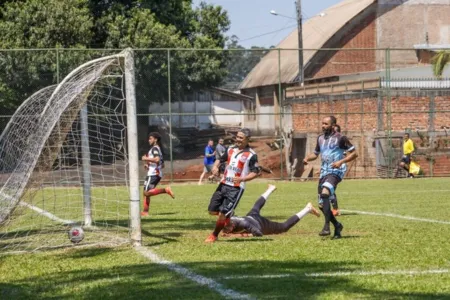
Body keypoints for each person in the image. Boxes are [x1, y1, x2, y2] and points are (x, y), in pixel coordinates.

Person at [303, 116, 358, 239]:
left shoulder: (341, 138)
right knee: (322, 205)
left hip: (336, 171)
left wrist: (341, 162)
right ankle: (337, 226)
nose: (323, 126)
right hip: (324, 172)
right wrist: (307, 158)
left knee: (325, 193)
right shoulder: (320, 138)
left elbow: (354, 153)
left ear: (333, 125)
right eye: (322, 123)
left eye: (326, 124)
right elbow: (315, 154)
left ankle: (326, 226)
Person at [204, 128, 259, 243]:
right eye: (237, 137)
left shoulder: (251, 155)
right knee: (212, 211)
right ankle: (229, 221)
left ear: (247, 139)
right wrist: (215, 167)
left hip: (236, 188)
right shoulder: (230, 149)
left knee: (223, 214)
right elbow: (220, 159)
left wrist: (242, 178)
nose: (237, 139)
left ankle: (214, 235)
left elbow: (255, 172)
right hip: (223, 184)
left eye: (240, 138)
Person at [222, 184, 320, 237]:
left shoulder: (244, 224)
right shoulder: (229, 220)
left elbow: (259, 233)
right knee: (255, 207)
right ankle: (270, 189)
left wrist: (238, 236)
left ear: (233, 224)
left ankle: (307, 209)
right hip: (251, 216)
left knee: (284, 227)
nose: (226, 231)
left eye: (227, 229)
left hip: (261, 224)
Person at [141, 132, 175, 216]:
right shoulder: (158, 149)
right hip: (156, 173)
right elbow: (162, 164)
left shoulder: (154, 149)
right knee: (146, 193)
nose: (149, 140)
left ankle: (165, 190)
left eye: (150, 138)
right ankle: (145, 212)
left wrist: (145, 158)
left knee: (146, 193)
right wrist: (148, 164)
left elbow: (156, 159)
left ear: (155, 139)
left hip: (153, 174)